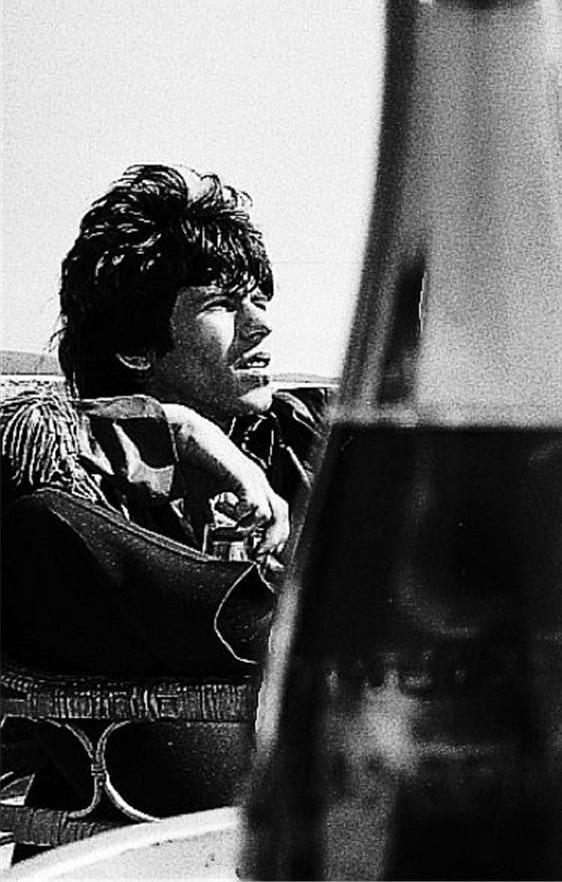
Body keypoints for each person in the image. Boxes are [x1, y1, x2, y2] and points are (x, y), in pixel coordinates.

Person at [0, 163, 326, 824]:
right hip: (159, 814)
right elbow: (19, 442)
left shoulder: (304, 432)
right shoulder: (74, 465)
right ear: (135, 349)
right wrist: (174, 431)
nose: (260, 325)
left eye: (258, 300)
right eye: (222, 304)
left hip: (323, 782)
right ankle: (263, 617)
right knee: (30, 524)